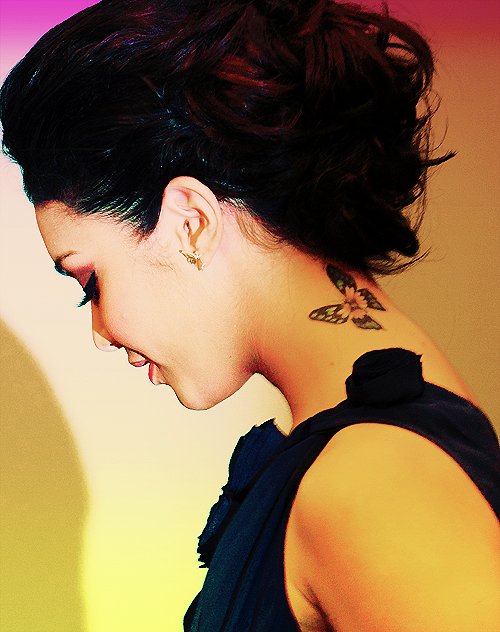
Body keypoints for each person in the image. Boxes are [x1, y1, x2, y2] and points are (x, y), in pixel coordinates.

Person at [1, 0, 499, 630]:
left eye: (89, 282)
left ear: (191, 222)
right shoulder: (371, 457)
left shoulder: (374, 484)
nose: (99, 333)